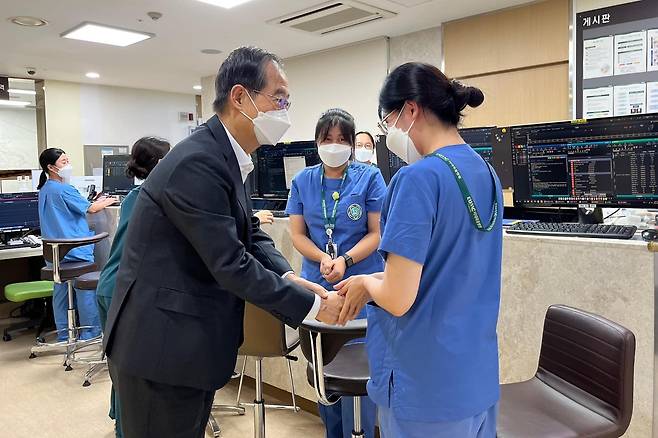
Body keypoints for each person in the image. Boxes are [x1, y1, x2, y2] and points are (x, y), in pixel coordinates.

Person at [103, 46, 344, 438]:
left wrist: (287, 274)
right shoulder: (198, 161)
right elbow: (231, 263)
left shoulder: (229, 157)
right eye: (278, 99)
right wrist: (313, 308)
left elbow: (248, 232)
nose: (284, 110)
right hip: (159, 347)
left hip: (186, 345)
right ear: (239, 97)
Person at [336, 62, 503, 437]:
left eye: (387, 121)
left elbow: (397, 298)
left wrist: (365, 284)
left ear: (410, 110)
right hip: (474, 378)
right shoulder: (486, 173)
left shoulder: (417, 179)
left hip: (424, 386)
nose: (388, 134)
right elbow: (446, 270)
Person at [286, 108, 386, 438]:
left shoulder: (369, 178)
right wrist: (322, 259)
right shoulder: (303, 181)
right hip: (319, 287)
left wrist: (345, 260)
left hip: (361, 285)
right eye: (327, 139)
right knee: (325, 368)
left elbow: (376, 233)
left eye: (342, 139)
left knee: (362, 370)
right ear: (317, 142)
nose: (335, 145)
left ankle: (362, 433)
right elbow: (298, 234)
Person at [95, 136, 171, 438]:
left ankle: (119, 421)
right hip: (125, 291)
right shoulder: (158, 198)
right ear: (162, 165)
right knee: (132, 379)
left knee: (120, 370)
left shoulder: (132, 197)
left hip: (109, 285)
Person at [37, 148, 116, 341]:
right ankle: (90, 332)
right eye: (64, 162)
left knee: (61, 292)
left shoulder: (44, 189)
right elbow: (92, 209)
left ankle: (64, 334)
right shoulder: (64, 189)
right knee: (84, 289)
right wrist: (110, 200)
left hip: (55, 255)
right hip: (75, 252)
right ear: (51, 167)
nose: (68, 165)